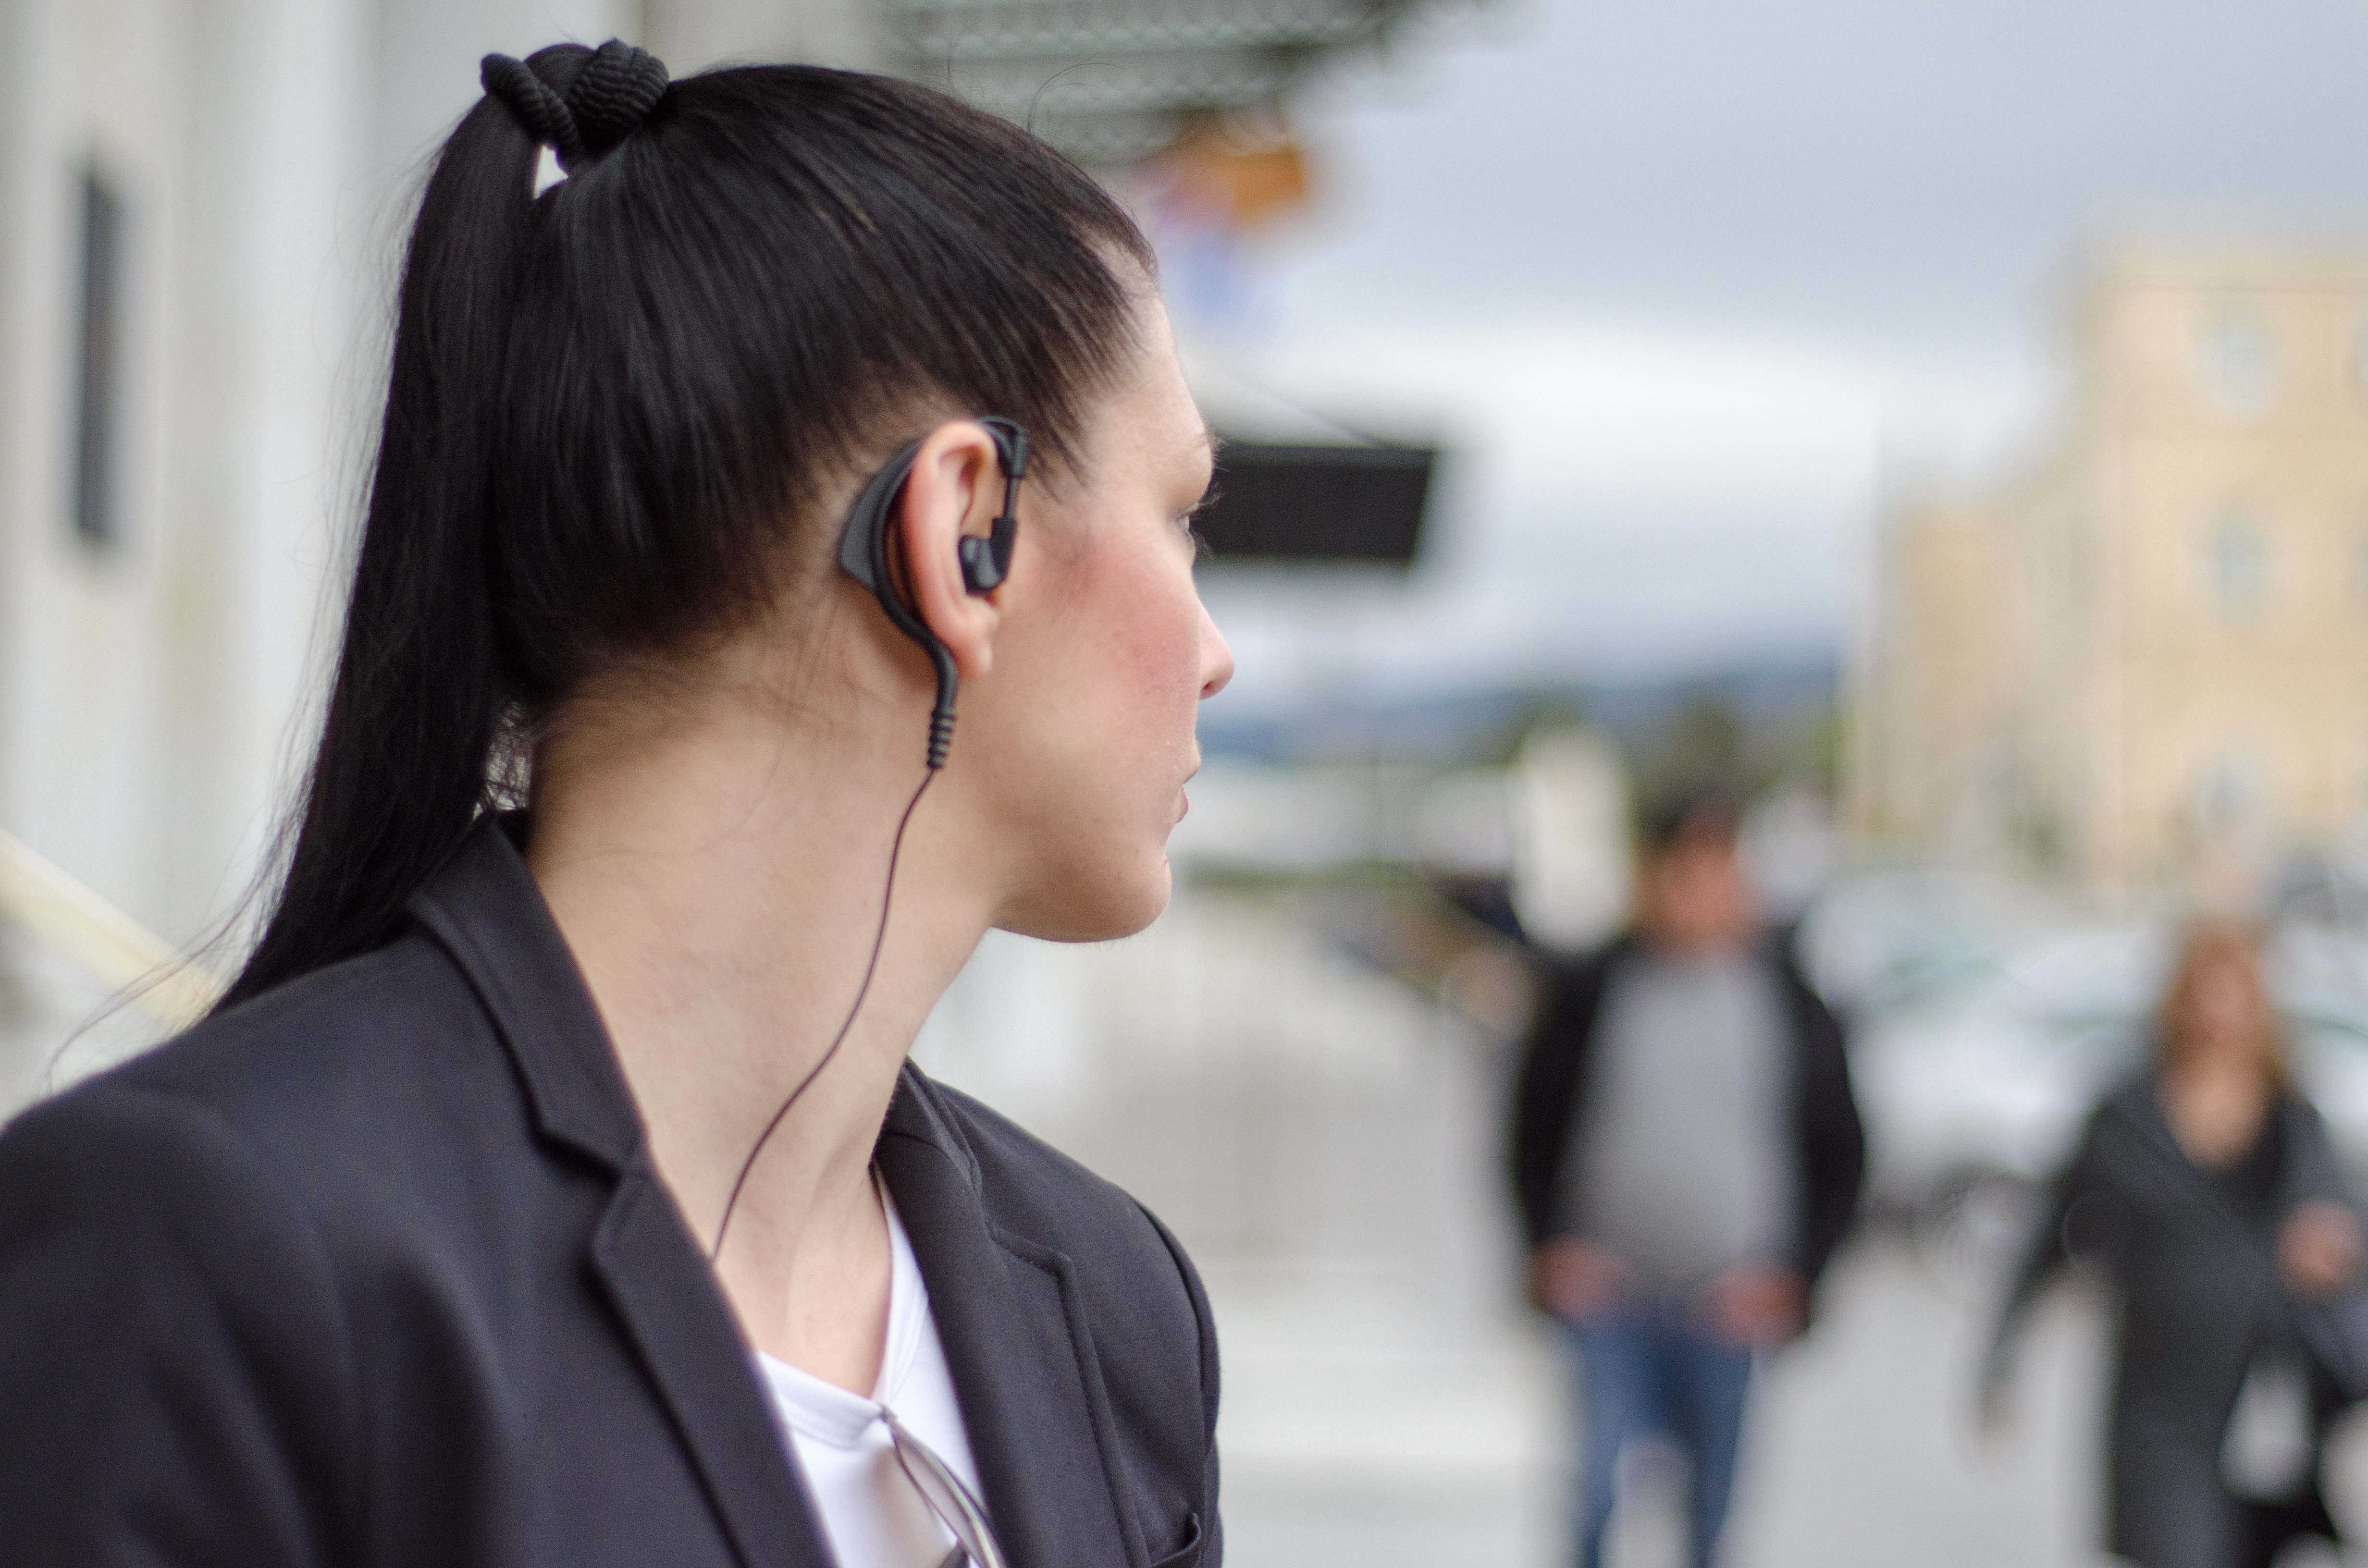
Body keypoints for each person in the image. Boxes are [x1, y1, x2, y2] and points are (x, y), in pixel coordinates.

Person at [0, 41, 1232, 1568]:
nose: (1218, 652)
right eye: (1184, 516)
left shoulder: (1114, 1307)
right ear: (961, 530)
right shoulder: (204, 1250)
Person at [1508, 796, 1865, 1568]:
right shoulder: (1594, 987)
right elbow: (1529, 1131)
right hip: (1614, 1296)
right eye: (1682, 873)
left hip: (1727, 1305)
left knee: (1711, 1520)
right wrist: (1546, 1248)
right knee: (1595, 1494)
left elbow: (1844, 1154)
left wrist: (1798, 1277)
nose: (1697, 893)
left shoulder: (1789, 1000)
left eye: (1716, 873)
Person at [1986, 923, 2366, 1568]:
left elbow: (2339, 1219)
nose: (2219, 1016)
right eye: (2205, 995)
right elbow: (2048, 1238)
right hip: (2157, 1403)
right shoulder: (2129, 1114)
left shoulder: (2290, 1117)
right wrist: (2000, 1360)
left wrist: (2329, 1244)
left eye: (2235, 996)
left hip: (2263, 1406)